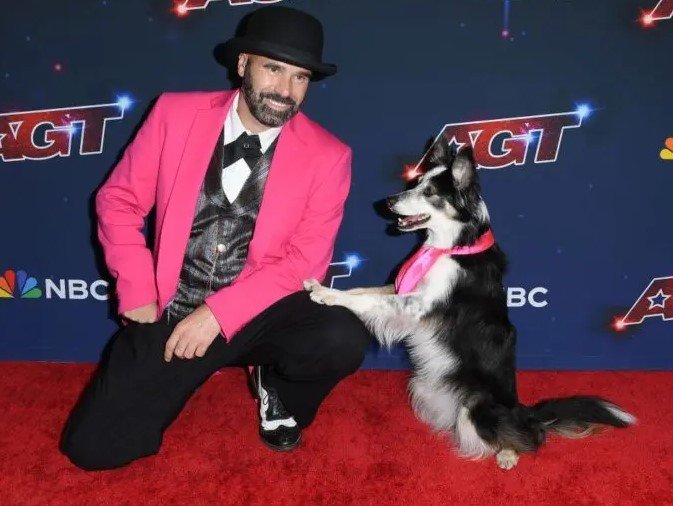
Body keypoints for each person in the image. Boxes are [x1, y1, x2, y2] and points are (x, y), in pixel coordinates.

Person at [59, 5, 371, 471]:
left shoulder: (330, 155)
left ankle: (277, 389)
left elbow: (305, 262)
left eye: (300, 77)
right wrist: (138, 290)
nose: (286, 91)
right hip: (173, 307)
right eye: (273, 69)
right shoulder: (174, 113)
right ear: (243, 64)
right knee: (93, 449)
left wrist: (218, 315)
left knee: (342, 335)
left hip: (259, 313)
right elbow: (118, 201)